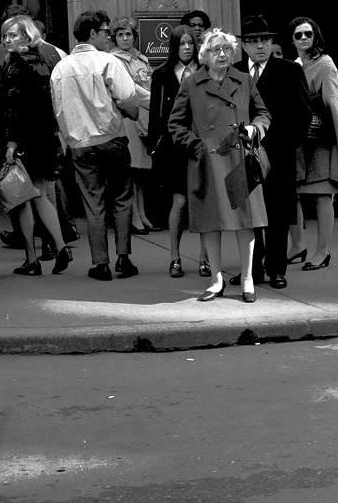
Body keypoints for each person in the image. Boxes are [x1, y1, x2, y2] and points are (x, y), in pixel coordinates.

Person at [168, 27, 270, 302]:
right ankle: (216, 280)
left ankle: (248, 278)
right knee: (210, 223)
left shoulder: (244, 80)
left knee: (245, 222)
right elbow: (175, 123)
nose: (223, 54)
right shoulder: (191, 83)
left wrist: (255, 129)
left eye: (227, 49)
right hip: (206, 161)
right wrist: (196, 146)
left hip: (240, 159)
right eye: (216, 50)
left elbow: (263, 113)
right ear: (204, 56)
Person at [50, 10, 149, 281]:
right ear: (92, 33)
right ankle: (123, 259)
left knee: (93, 202)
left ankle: (100, 263)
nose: (108, 36)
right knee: (121, 198)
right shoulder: (107, 61)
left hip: (81, 144)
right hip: (112, 138)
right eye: (105, 31)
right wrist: (132, 114)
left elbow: (58, 110)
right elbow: (128, 98)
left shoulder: (61, 68)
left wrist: (71, 138)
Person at [234, 15, 312, 289]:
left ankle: (277, 268)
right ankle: (251, 269)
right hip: (244, 154)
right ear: (244, 45)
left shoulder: (289, 70)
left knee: (278, 213)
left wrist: (287, 144)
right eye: (254, 41)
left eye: (265, 40)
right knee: (248, 214)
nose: (260, 46)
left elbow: (303, 114)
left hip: (279, 153)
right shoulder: (235, 71)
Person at [287, 16, 338, 270]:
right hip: (297, 139)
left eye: (308, 33)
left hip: (318, 138)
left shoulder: (325, 63)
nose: (304, 38)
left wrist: (336, 136)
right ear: (292, 39)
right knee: (292, 193)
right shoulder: (292, 64)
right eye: (298, 35)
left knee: (322, 195)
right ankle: (296, 246)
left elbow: (334, 103)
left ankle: (323, 251)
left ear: (315, 36)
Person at [0, 15, 70, 276]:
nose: (7, 40)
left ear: (27, 37)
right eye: (5, 35)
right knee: (39, 194)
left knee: (21, 199)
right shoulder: (44, 60)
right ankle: (61, 245)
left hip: (23, 140)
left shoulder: (16, 65)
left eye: (13, 35)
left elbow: (15, 109)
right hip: (45, 137)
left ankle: (31, 258)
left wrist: (11, 143)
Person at [147, 24, 208, 278]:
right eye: (181, 44)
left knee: (203, 203)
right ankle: (175, 257)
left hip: (200, 146)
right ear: (174, 47)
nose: (186, 48)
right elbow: (155, 114)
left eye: (190, 43)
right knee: (180, 202)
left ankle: (206, 259)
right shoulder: (162, 75)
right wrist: (153, 146)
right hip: (172, 148)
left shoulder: (205, 72)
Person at [109, 16, 155, 233]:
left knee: (141, 172)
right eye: (120, 34)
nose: (125, 38)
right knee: (131, 169)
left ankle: (143, 212)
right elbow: (129, 89)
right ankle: (133, 216)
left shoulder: (142, 59)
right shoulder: (114, 60)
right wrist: (154, 99)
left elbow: (148, 80)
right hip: (129, 116)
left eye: (128, 34)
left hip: (145, 114)